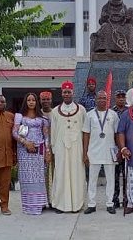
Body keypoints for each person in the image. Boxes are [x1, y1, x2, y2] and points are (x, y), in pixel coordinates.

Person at [50, 81, 86, 213]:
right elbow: (53, 132)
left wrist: (85, 151)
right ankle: (60, 204)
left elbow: (85, 131)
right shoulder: (55, 111)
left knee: (76, 174)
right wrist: (53, 149)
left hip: (77, 148)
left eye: (69, 91)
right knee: (61, 174)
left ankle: (77, 204)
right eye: (64, 92)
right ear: (61, 93)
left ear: (73, 93)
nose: (66, 94)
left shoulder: (81, 110)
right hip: (60, 147)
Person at [82, 91, 120, 215]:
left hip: (110, 151)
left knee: (110, 179)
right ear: (95, 100)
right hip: (94, 151)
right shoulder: (89, 115)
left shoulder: (113, 115)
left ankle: (110, 203)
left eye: (104, 98)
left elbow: (117, 134)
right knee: (92, 179)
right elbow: (86, 134)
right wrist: (85, 152)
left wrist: (119, 150)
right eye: (99, 98)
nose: (102, 100)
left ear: (107, 99)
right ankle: (91, 204)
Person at [13, 93, 51, 215]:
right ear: (25, 102)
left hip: (39, 151)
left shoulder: (43, 119)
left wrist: (48, 152)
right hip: (24, 151)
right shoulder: (19, 117)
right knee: (26, 178)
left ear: (36, 102)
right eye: (28, 100)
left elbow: (46, 137)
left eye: (33, 100)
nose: (31, 102)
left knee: (38, 177)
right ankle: (28, 206)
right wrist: (26, 142)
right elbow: (14, 133)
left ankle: (39, 205)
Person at [112, 89, 128, 208]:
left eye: (123, 97)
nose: (121, 99)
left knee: (127, 175)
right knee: (115, 175)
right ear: (115, 98)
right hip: (114, 147)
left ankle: (126, 199)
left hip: (128, 146)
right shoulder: (111, 112)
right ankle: (115, 199)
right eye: (119, 97)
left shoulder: (130, 111)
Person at [39, 90, 54, 207]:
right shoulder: (37, 114)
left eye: (47, 99)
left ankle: (53, 201)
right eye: (43, 99)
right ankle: (43, 202)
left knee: (54, 175)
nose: (45, 102)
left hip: (54, 148)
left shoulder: (56, 114)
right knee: (42, 176)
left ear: (51, 100)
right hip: (40, 149)